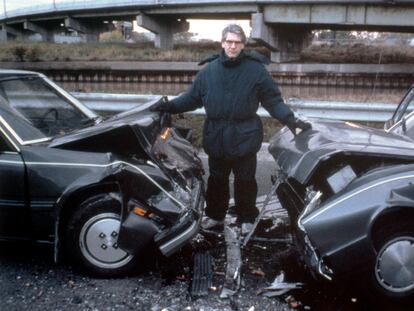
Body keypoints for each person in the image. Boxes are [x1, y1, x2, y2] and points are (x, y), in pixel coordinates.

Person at [151, 24, 310, 234]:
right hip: (216, 136)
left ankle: (247, 218)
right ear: (222, 43)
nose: (233, 46)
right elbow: (191, 99)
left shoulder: (256, 70)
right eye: (229, 42)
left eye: (237, 42)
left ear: (243, 45)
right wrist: (169, 106)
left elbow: (273, 101)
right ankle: (216, 216)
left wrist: (290, 119)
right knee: (217, 180)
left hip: (245, 135)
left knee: (245, 181)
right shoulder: (209, 71)